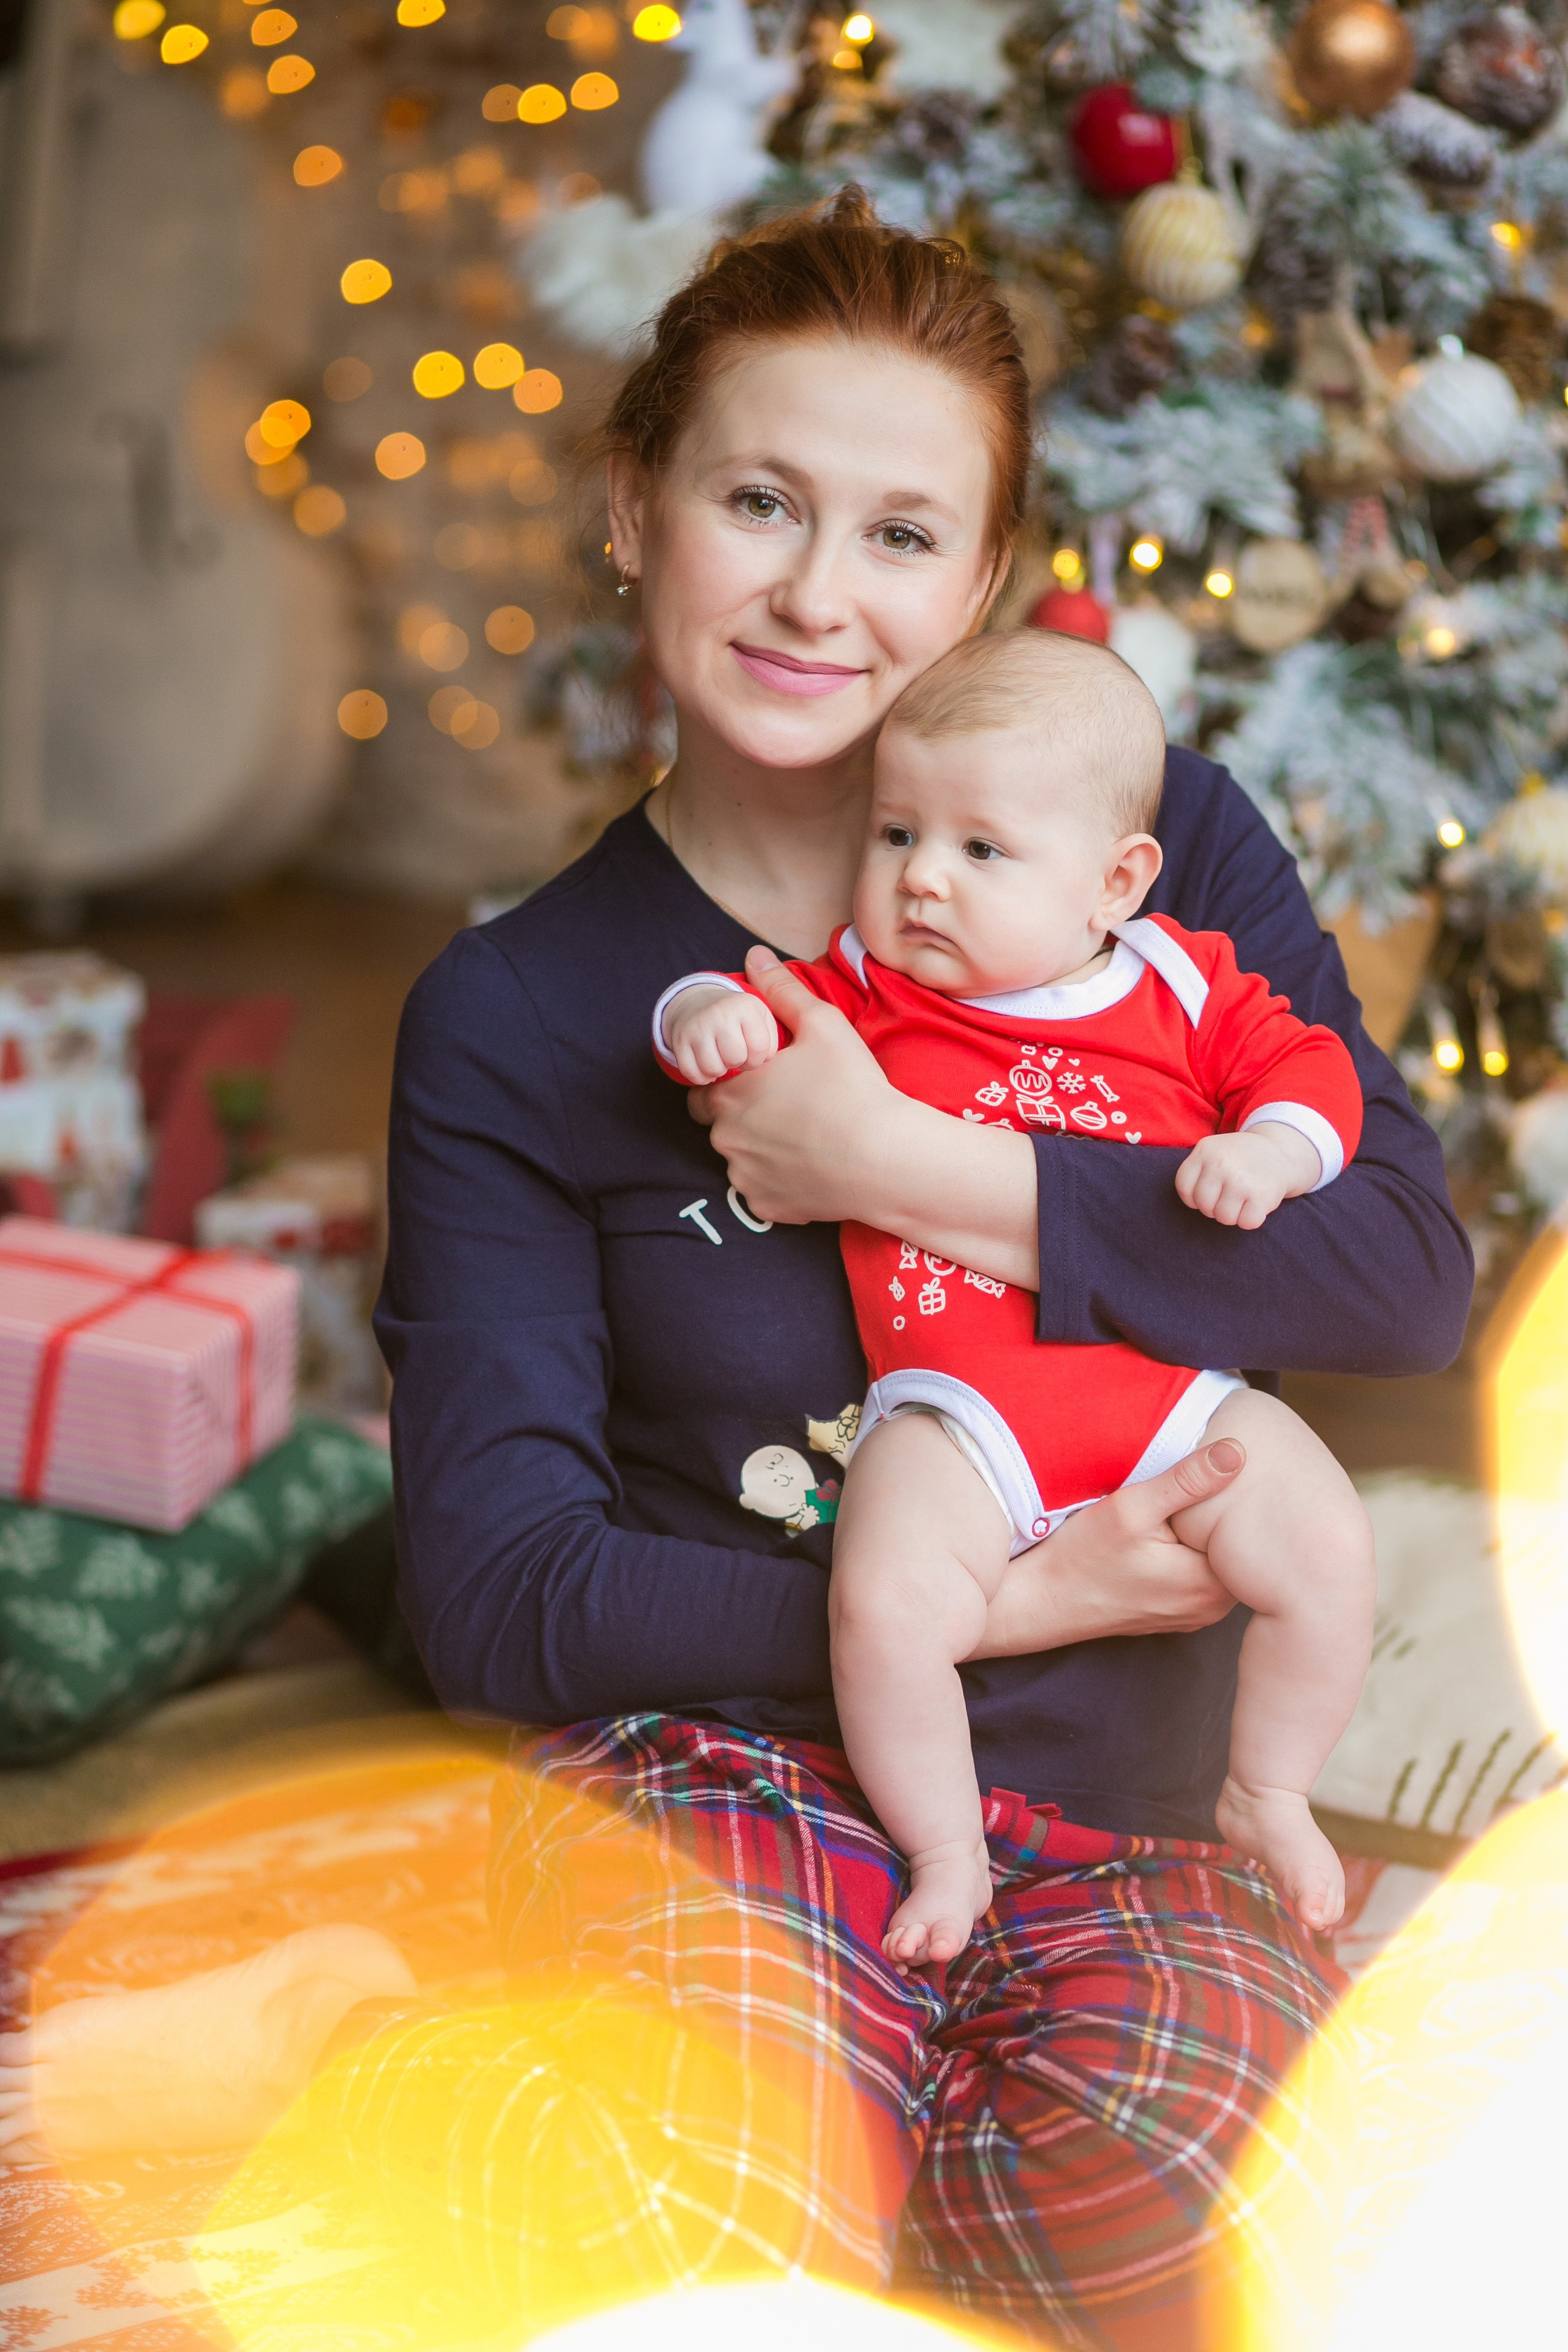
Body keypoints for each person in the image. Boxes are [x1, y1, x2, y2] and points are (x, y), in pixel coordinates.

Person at [0, 194, 1471, 2352]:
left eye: (902, 535)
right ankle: (396, 2042)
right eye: (759, 501)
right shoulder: (520, 1011)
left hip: (1137, 1795)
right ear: (634, 509)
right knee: (719, 2233)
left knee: (1174, 2263)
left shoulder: (1138, 847)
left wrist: (904, 1166)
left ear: (983, 580)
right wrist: (989, 1601)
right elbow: (503, 1600)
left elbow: (1401, 1278)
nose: (815, 592)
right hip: (721, 1764)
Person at [658, 627, 1374, 1970]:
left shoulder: (1180, 983)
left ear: (1116, 883)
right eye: (895, 834)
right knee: (883, 1607)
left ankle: (1268, 1788)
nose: (920, 877)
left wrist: (1273, 1151)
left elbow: (1310, 1070)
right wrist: (705, 1018)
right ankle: (945, 1851)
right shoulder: (870, 989)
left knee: (1326, 1545)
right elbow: (743, 992)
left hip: (1167, 1398)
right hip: (961, 1410)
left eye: (981, 850)